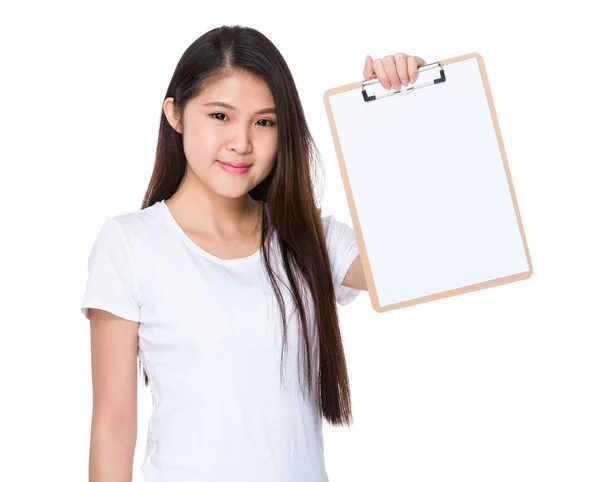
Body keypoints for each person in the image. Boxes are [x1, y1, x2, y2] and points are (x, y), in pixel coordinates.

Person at [80, 24, 426, 482]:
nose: (242, 143)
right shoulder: (128, 244)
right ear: (176, 114)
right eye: (220, 116)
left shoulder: (309, 239)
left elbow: (423, 261)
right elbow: (114, 425)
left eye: (264, 122)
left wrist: (406, 110)